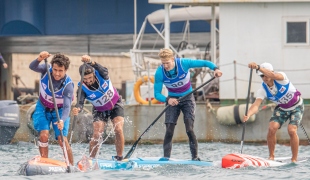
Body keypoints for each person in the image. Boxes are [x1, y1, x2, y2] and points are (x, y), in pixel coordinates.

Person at [154, 48, 222, 160]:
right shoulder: (159, 73)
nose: (165, 65)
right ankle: (166, 158)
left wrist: (215, 69)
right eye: (163, 63)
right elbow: (156, 94)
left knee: (189, 129)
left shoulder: (184, 63)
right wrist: (167, 100)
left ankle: (195, 157)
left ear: (173, 59)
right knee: (169, 129)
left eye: (167, 63)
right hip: (172, 99)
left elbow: (205, 63)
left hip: (187, 98)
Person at [243, 62, 304, 163]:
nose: (265, 77)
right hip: (282, 108)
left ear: (271, 72)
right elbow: (255, 105)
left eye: (266, 75)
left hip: (296, 106)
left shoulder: (281, 77)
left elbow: (273, 75)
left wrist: (258, 67)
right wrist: (248, 114)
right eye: (262, 76)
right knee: (272, 128)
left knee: (291, 130)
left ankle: (294, 159)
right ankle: (271, 156)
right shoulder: (263, 89)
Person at [72, 55, 125, 160]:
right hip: (99, 110)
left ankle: (119, 157)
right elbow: (80, 103)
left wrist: (91, 62)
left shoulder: (101, 74)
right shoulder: (82, 88)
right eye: (85, 79)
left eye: (90, 78)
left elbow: (104, 70)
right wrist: (77, 108)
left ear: (94, 74)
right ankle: (91, 159)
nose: (88, 81)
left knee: (118, 129)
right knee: (97, 134)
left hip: (116, 104)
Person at [29, 51, 74, 165]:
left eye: (60, 71)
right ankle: (44, 163)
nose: (57, 74)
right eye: (55, 70)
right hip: (42, 107)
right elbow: (32, 66)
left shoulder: (68, 85)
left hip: (59, 111)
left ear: (65, 70)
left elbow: (67, 106)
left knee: (62, 140)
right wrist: (39, 58)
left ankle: (71, 165)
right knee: (43, 135)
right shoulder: (46, 70)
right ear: (52, 67)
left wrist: (62, 120)